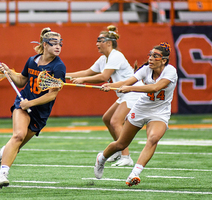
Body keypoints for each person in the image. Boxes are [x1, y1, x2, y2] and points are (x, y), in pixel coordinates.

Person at [0, 27, 66, 188]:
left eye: (60, 44)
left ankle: (3, 152)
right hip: (22, 103)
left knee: (18, 144)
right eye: (54, 43)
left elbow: (52, 95)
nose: (58, 47)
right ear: (45, 45)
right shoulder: (32, 60)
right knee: (18, 136)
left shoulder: (58, 67)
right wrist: (9, 72)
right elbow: (22, 81)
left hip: (40, 111)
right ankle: (2, 175)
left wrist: (30, 103)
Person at [94, 42, 177, 186]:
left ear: (164, 60)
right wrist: (110, 85)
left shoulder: (170, 71)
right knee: (121, 143)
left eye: (155, 56)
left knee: (153, 138)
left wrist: (130, 89)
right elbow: (128, 81)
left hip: (159, 112)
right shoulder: (145, 69)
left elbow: (155, 87)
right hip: (140, 109)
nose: (150, 58)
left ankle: (134, 174)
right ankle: (101, 158)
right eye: (150, 55)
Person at [66, 25, 142, 167]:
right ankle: (118, 150)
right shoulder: (103, 59)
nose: (96, 44)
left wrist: (83, 81)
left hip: (133, 92)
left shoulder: (116, 55)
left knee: (115, 122)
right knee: (107, 119)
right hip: (124, 93)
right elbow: (87, 72)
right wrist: (63, 75)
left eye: (99, 40)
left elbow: (104, 76)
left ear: (109, 42)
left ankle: (126, 156)